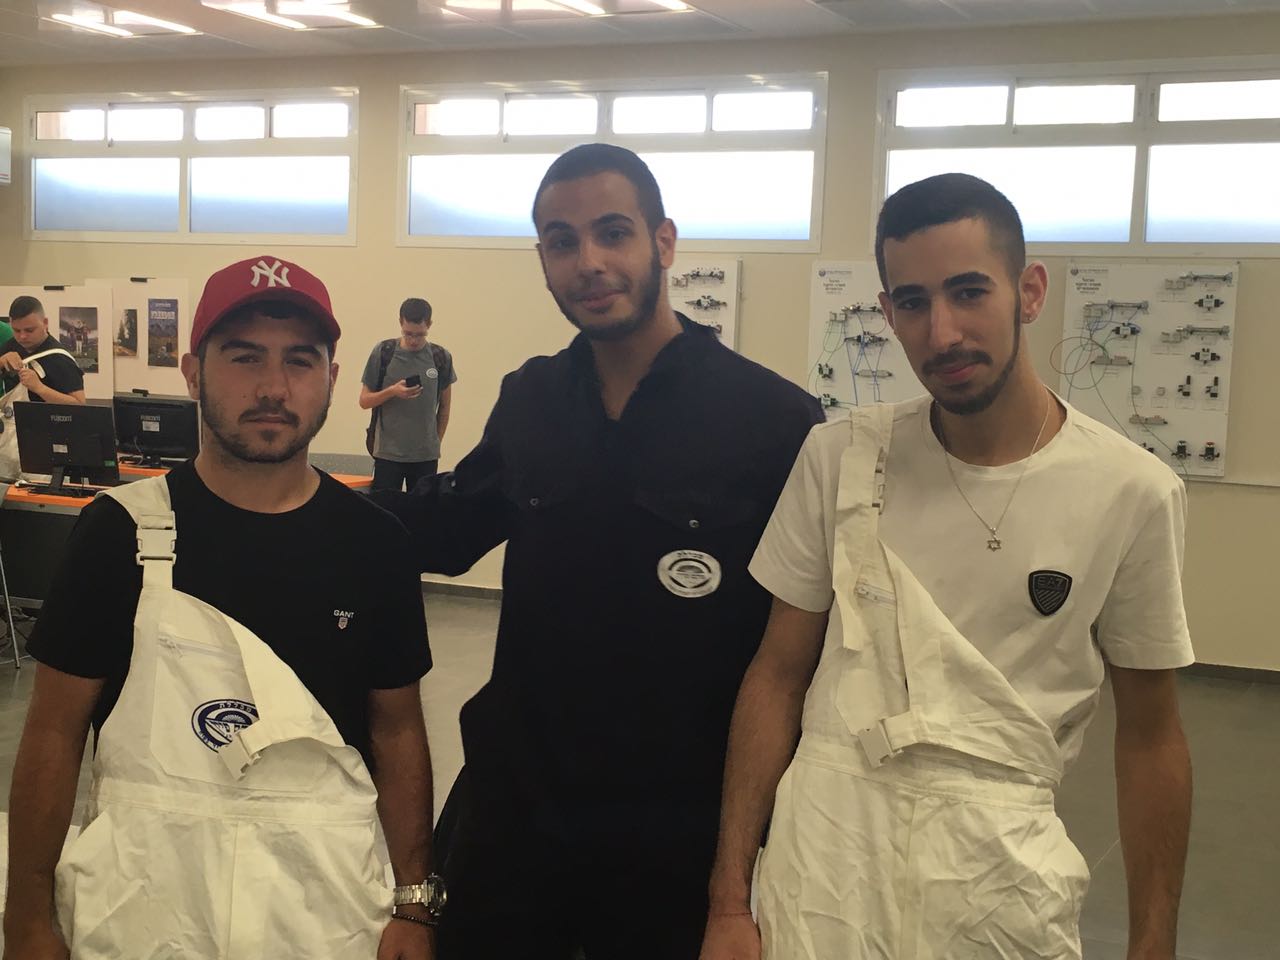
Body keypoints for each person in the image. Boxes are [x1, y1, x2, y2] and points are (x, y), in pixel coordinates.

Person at [700, 173, 1194, 960]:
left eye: (969, 292)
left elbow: (1150, 735)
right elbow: (778, 676)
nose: (943, 333)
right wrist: (730, 901)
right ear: (888, 311)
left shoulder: (1130, 490)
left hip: (999, 878)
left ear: (1029, 292)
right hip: (825, 861)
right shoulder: (841, 457)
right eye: (913, 303)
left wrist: (1153, 942)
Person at [376, 144, 823, 959]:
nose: (589, 261)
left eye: (613, 233)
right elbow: (448, 529)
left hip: (675, 839)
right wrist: (294, 497)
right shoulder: (533, 399)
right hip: (516, 821)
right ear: (543, 261)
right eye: (562, 241)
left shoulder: (773, 422)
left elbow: (797, 663)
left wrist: (739, 880)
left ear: (664, 241)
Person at [4, 256, 440, 960]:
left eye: (300, 360)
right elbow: (55, 730)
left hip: (324, 912)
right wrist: (26, 916)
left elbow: (397, 731)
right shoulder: (120, 531)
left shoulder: (376, 544)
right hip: (143, 910)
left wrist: (414, 906)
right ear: (193, 372)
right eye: (244, 357)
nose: (273, 387)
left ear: (331, 378)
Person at [361, 297, 457, 493]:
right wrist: (392, 391)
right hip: (388, 454)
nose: (413, 340)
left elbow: (445, 407)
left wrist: (435, 442)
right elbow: (364, 401)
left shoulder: (441, 358)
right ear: (400, 322)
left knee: (422, 511)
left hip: (425, 456)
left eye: (420, 334)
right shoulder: (383, 352)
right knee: (385, 510)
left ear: (429, 325)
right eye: (408, 333)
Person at [0, 296, 86, 404]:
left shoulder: (60, 358)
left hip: (49, 415)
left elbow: (79, 404)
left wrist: (40, 388)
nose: (22, 336)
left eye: (29, 330)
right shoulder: (10, 346)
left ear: (45, 323)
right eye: (16, 330)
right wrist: (1, 362)